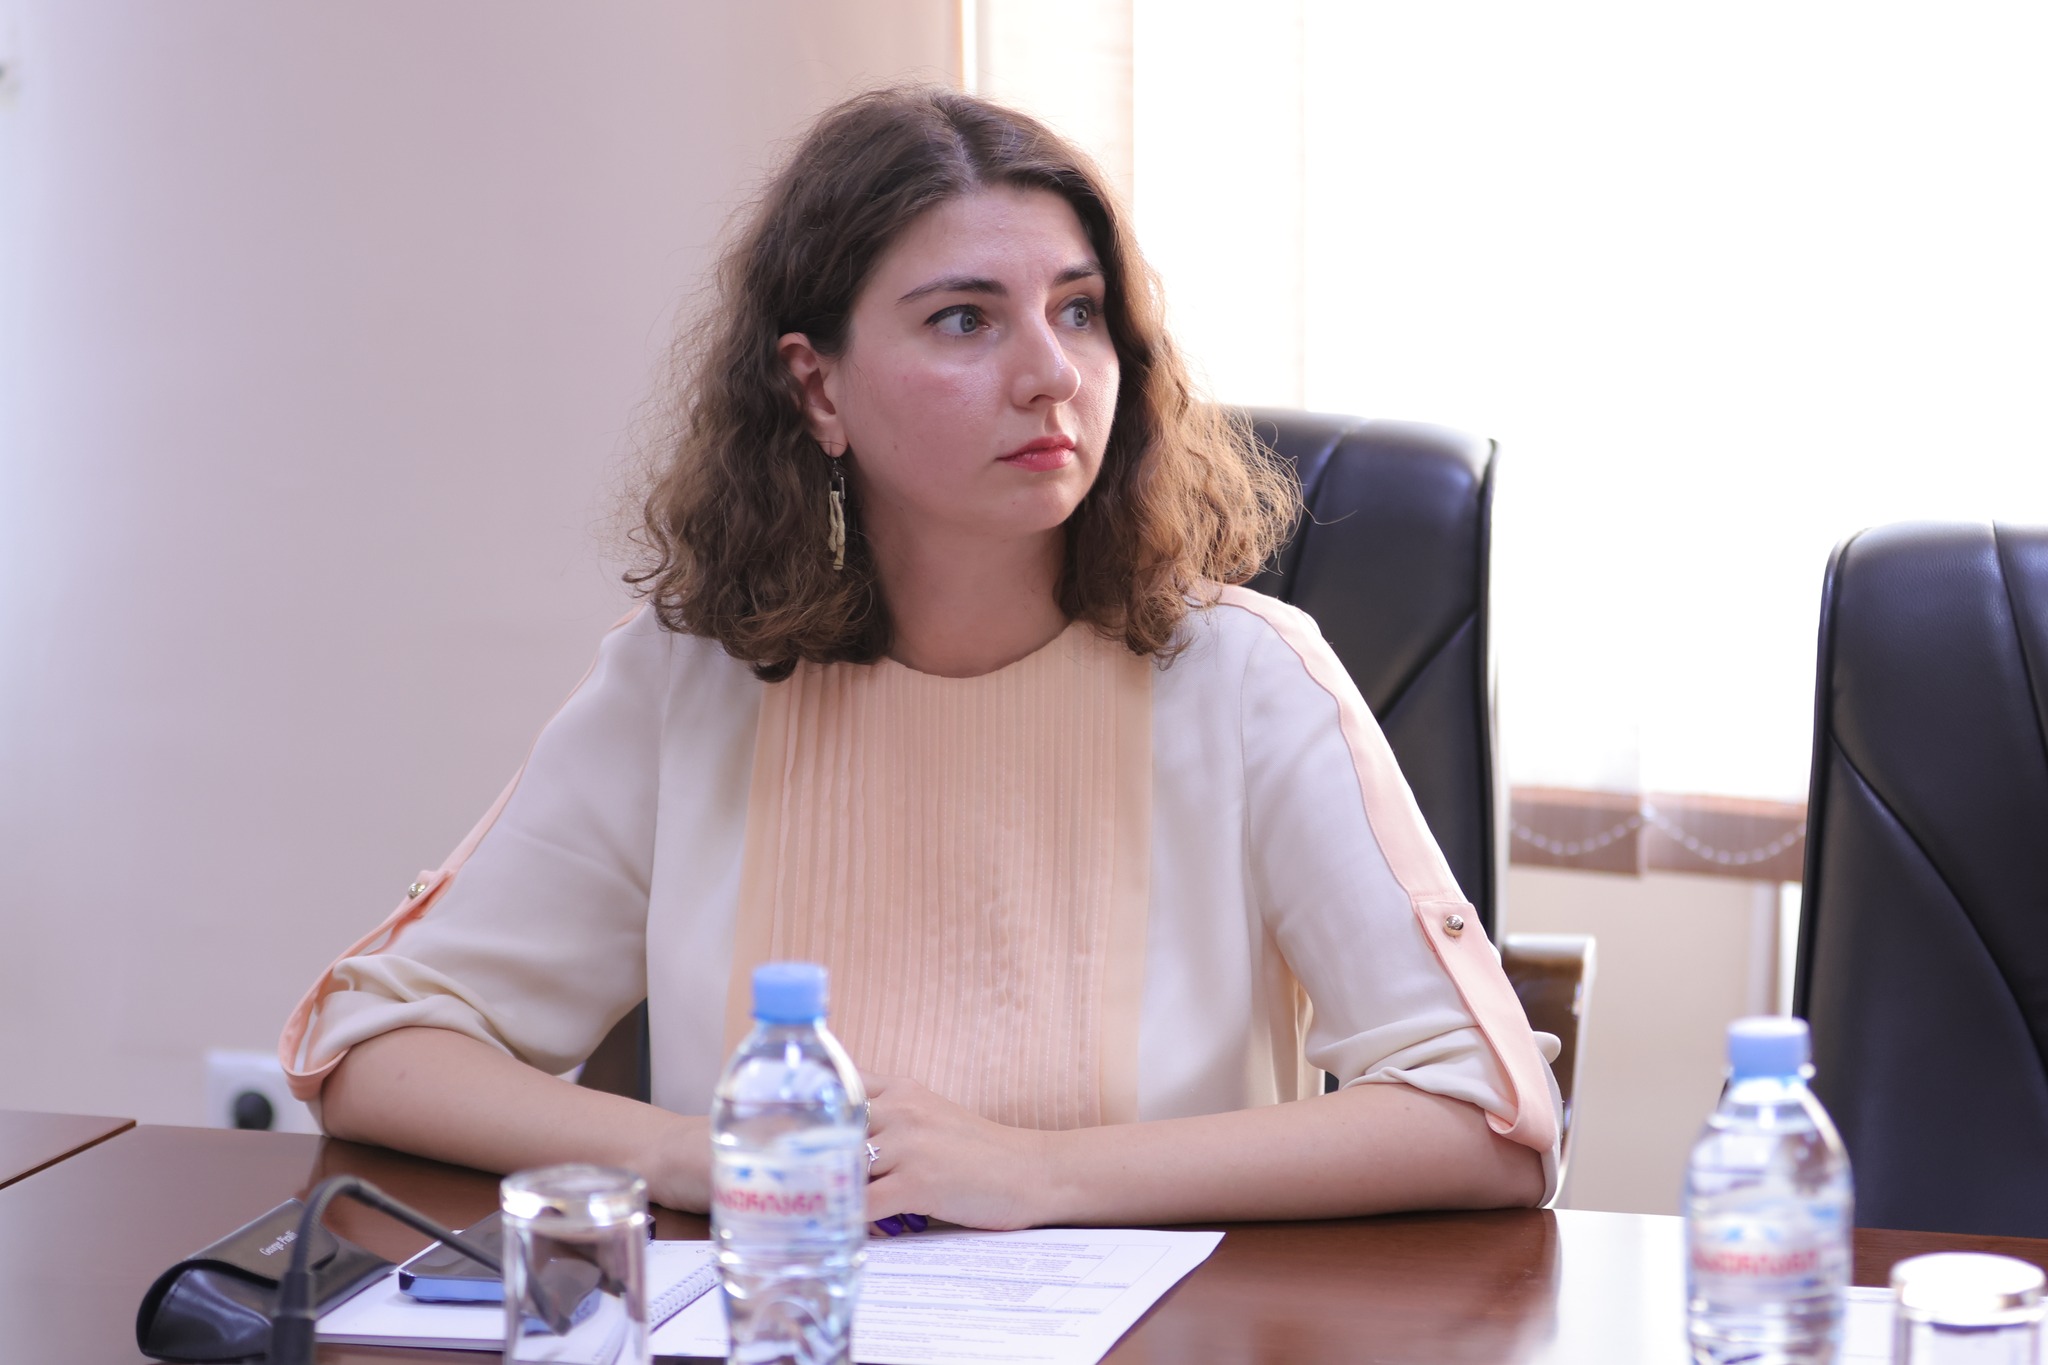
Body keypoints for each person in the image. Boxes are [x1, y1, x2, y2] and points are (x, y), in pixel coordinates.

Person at [280, 85, 1560, 1228]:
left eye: (1078, 311)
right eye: (963, 320)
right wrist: (699, 1157)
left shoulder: (1247, 680)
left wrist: (1041, 1176)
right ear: (816, 389)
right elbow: (372, 1043)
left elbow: (1487, 1119)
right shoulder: (688, 680)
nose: (1050, 374)